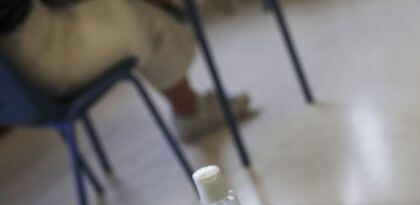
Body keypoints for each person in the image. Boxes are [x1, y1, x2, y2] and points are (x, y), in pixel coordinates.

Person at [0, 0, 253, 142]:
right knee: (147, 16)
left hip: (16, 87)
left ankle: (189, 107)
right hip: (39, 57)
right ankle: (190, 110)